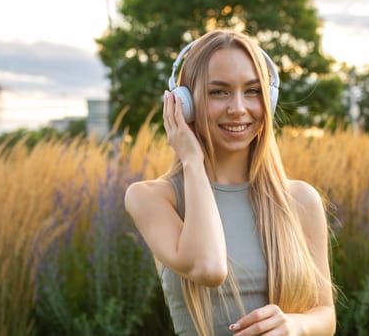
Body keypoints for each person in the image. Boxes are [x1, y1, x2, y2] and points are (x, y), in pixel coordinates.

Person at [124, 29, 336, 336]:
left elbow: (325, 315)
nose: (238, 108)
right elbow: (209, 268)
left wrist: (296, 325)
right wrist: (192, 161)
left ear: (269, 99)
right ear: (184, 104)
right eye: (218, 92)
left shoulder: (301, 199)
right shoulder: (152, 198)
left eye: (252, 91)